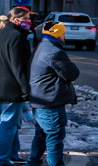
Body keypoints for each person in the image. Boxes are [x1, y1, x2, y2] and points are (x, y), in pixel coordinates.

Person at [26, 21, 77, 166]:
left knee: (41, 136)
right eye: (63, 33)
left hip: (40, 100)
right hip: (51, 102)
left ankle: (32, 163)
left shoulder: (40, 47)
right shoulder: (55, 52)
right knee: (54, 136)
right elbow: (71, 73)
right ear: (58, 35)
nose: (64, 36)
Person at [0, 9, 29, 166]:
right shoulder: (17, 37)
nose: (28, 22)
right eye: (25, 19)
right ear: (16, 20)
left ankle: (13, 153)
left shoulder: (2, 33)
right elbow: (19, 68)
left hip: (2, 86)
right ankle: (3, 159)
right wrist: (26, 90)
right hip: (11, 89)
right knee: (9, 125)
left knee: (10, 123)